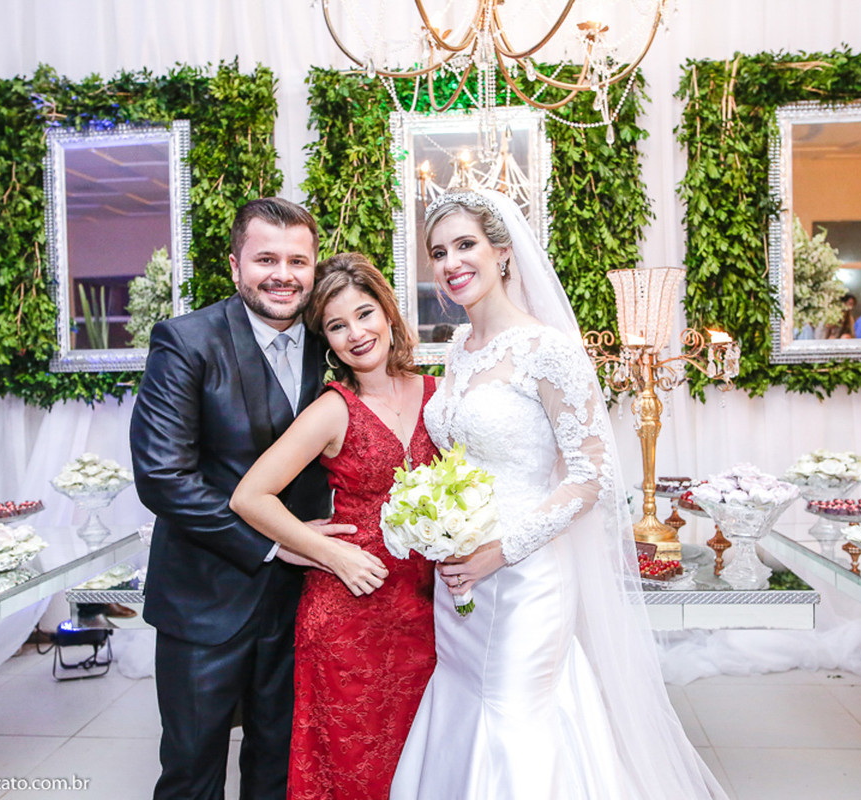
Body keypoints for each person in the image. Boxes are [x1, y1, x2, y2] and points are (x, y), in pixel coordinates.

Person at [390, 190, 727, 799]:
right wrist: (437, 524)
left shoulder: (549, 350)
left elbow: (593, 476)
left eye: (465, 245)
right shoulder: (458, 348)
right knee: (465, 702)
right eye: (438, 252)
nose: (450, 263)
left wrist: (500, 551)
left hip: (526, 575)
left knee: (515, 715)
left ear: (502, 252)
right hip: (460, 574)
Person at [130, 197, 355, 800]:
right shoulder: (186, 342)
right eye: (266, 259)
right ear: (235, 266)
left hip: (302, 602)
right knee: (193, 771)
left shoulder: (332, 340)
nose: (284, 274)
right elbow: (162, 476)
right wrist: (276, 544)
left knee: (281, 768)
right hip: (205, 601)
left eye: (298, 261)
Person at [229, 252, 439, 800]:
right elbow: (250, 496)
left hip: (426, 608)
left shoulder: (438, 395)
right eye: (337, 326)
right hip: (349, 613)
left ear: (388, 313)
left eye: (364, 314)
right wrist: (327, 552)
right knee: (354, 767)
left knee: (423, 758)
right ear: (327, 340)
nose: (357, 334)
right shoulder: (334, 408)